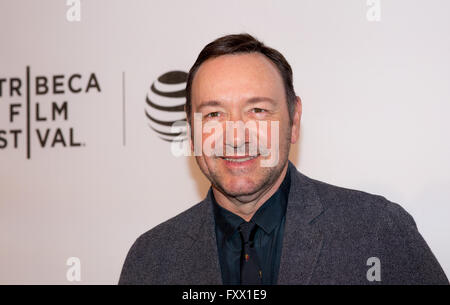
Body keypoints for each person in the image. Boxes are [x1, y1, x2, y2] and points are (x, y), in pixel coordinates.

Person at [119, 33, 449, 285]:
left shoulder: (377, 229)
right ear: (191, 132)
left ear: (294, 120)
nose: (236, 136)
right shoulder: (151, 260)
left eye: (258, 110)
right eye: (214, 114)